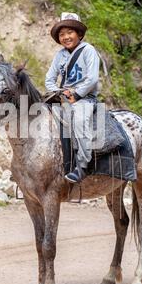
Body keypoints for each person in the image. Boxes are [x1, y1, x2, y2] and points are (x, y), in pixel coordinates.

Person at [45, 12, 100, 183]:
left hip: (85, 98)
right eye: (62, 34)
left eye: (70, 32)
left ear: (79, 34)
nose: (65, 37)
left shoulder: (88, 51)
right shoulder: (60, 56)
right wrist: (59, 92)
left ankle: (83, 165)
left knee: (78, 120)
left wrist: (76, 94)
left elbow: (92, 78)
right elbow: (49, 79)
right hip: (65, 97)